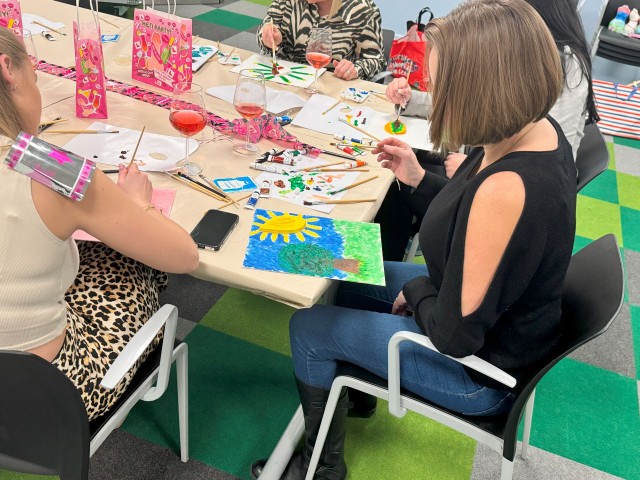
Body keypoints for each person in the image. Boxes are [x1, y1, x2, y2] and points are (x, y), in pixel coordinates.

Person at [251, 0, 576, 479]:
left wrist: (417, 289)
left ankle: (322, 469)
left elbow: (454, 335)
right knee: (347, 267)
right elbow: (469, 216)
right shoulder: (530, 129)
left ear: (484, 89)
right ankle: (356, 389)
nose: (432, 95)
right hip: (479, 310)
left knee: (307, 327)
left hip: (482, 373)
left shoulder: (509, 188)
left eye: (440, 85)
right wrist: (418, 177)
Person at [0, 27, 199, 421]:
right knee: (134, 259)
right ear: (8, 70)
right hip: (43, 398)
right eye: (35, 78)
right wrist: (140, 205)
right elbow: (185, 257)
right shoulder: (45, 163)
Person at [378, 0, 598, 261]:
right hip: (476, 177)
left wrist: (475, 171)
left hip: (482, 183)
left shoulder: (510, 183)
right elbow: (464, 97)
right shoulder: (517, 133)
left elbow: (460, 283)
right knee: (398, 188)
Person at [257, 0, 385, 81]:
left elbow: (376, 60)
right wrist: (268, 38)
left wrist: (355, 69)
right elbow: (264, 32)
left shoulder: (364, 11)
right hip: (282, 81)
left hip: (328, 89)